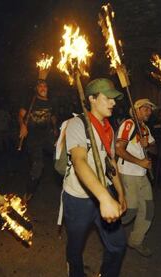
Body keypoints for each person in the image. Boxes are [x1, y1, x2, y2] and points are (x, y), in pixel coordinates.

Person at [62, 78, 127, 277]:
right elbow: (80, 161)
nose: (113, 103)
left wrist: (120, 193)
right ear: (91, 99)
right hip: (79, 198)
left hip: (104, 192)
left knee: (118, 245)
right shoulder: (76, 124)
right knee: (75, 248)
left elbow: (112, 163)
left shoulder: (109, 127)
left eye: (114, 99)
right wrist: (105, 198)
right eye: (107, 98)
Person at [115, 99, 157, 257]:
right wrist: (140, 161)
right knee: (130, 211)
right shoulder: (129, 124)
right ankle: (107, 227)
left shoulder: (145, 128)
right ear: (137, 109)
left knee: (148, 209)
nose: (149, 111)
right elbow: (119, 149)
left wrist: (148, 145)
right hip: (128, 173)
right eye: (146, 108)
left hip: (142, 175)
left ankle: (135, 241)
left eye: (150, 109)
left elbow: (155, 148)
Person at [18, 79, 57, 198]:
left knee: (60, 153)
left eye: (45, 86)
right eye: (40, 86)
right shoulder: (31, 101)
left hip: (47, 136)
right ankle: (28, 193)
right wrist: (23, 126)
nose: (43, 88)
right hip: (33, 138)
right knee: (38, 166)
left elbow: (53, 116)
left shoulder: (51, 102)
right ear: (36, 89)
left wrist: (55, 128)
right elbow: (20, 115)